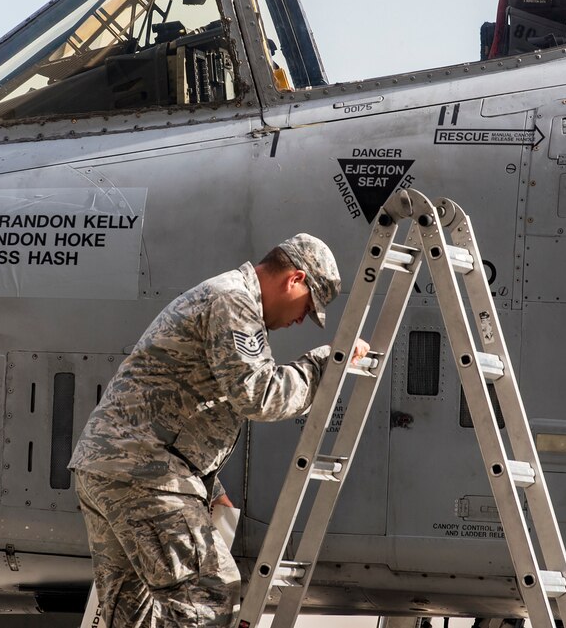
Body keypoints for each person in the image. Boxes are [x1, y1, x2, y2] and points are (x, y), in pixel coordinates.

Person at [68, 233, 370, 627]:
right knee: (208, 594)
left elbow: (181, 404)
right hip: (145, 474)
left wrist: (213, 490)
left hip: (112, 468)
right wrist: (325, 364)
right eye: (307, 306)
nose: (300, 320)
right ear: (294, 279)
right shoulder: (234, 300)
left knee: (133, 614)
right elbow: (259, 396)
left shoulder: (225, 296)